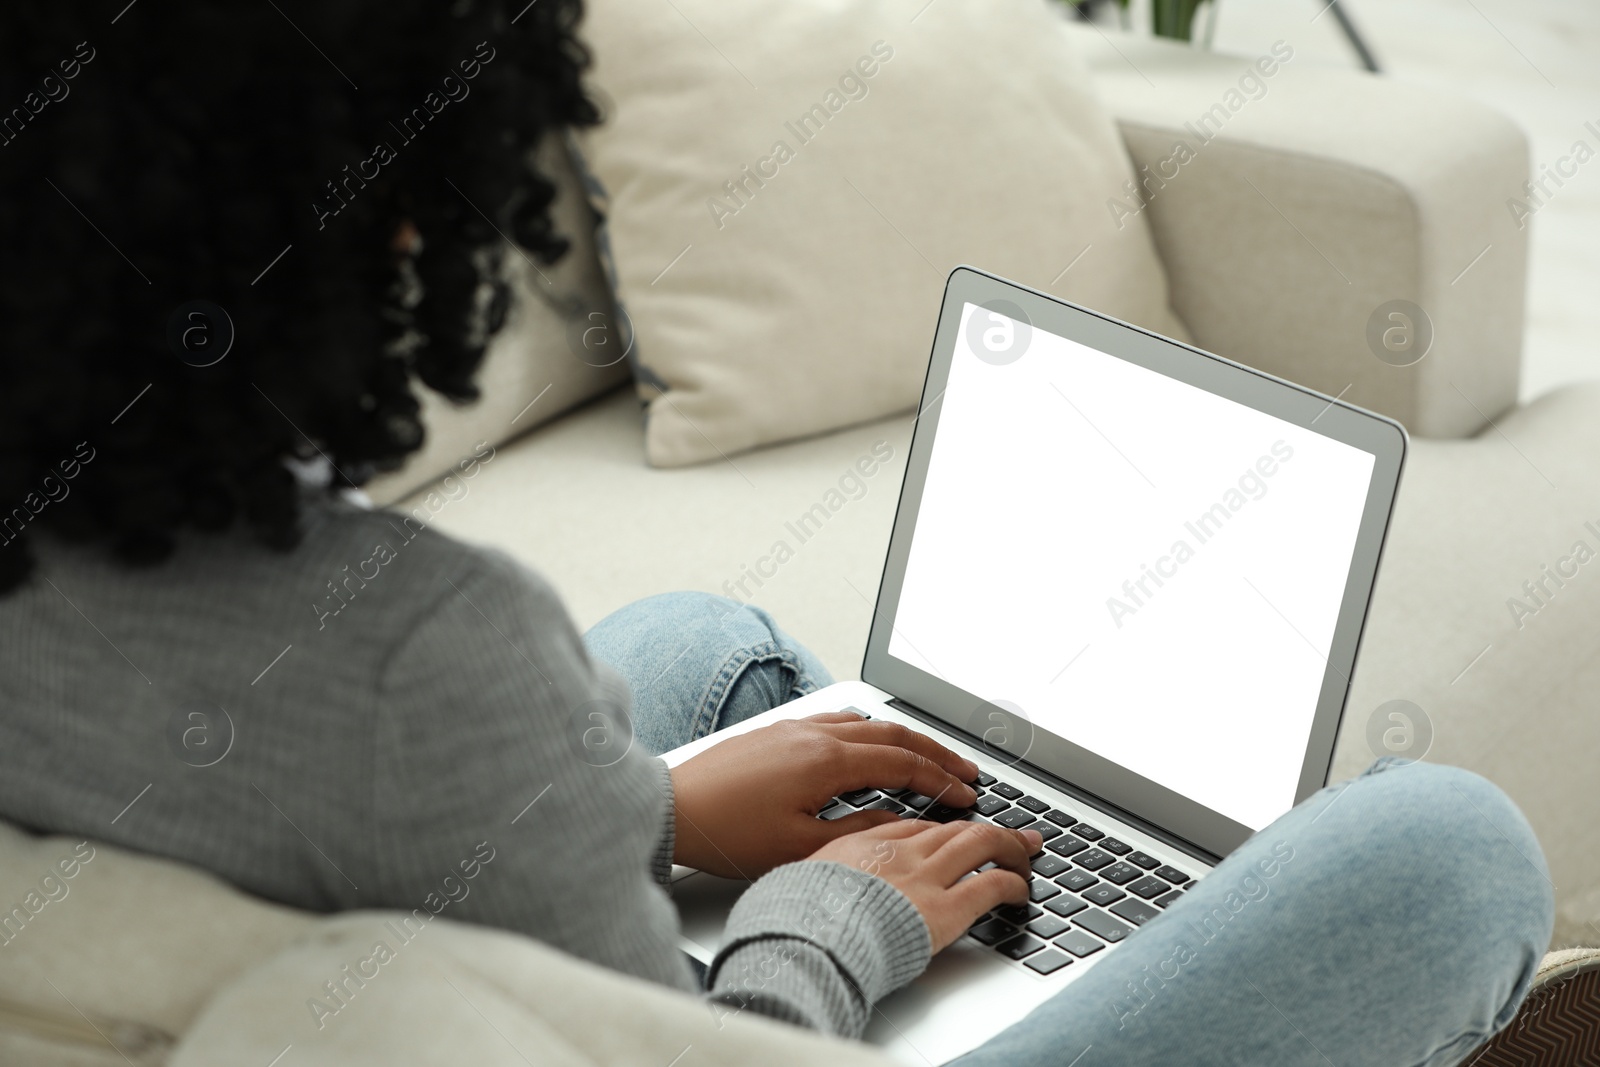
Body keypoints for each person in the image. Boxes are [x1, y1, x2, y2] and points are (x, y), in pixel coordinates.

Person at [0, 4, 1554, 1064]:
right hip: (734, 1016)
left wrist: (649, 811)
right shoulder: (424, 659)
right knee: (1446, 852)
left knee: (704, 648)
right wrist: (827, 932)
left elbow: (291, 803)